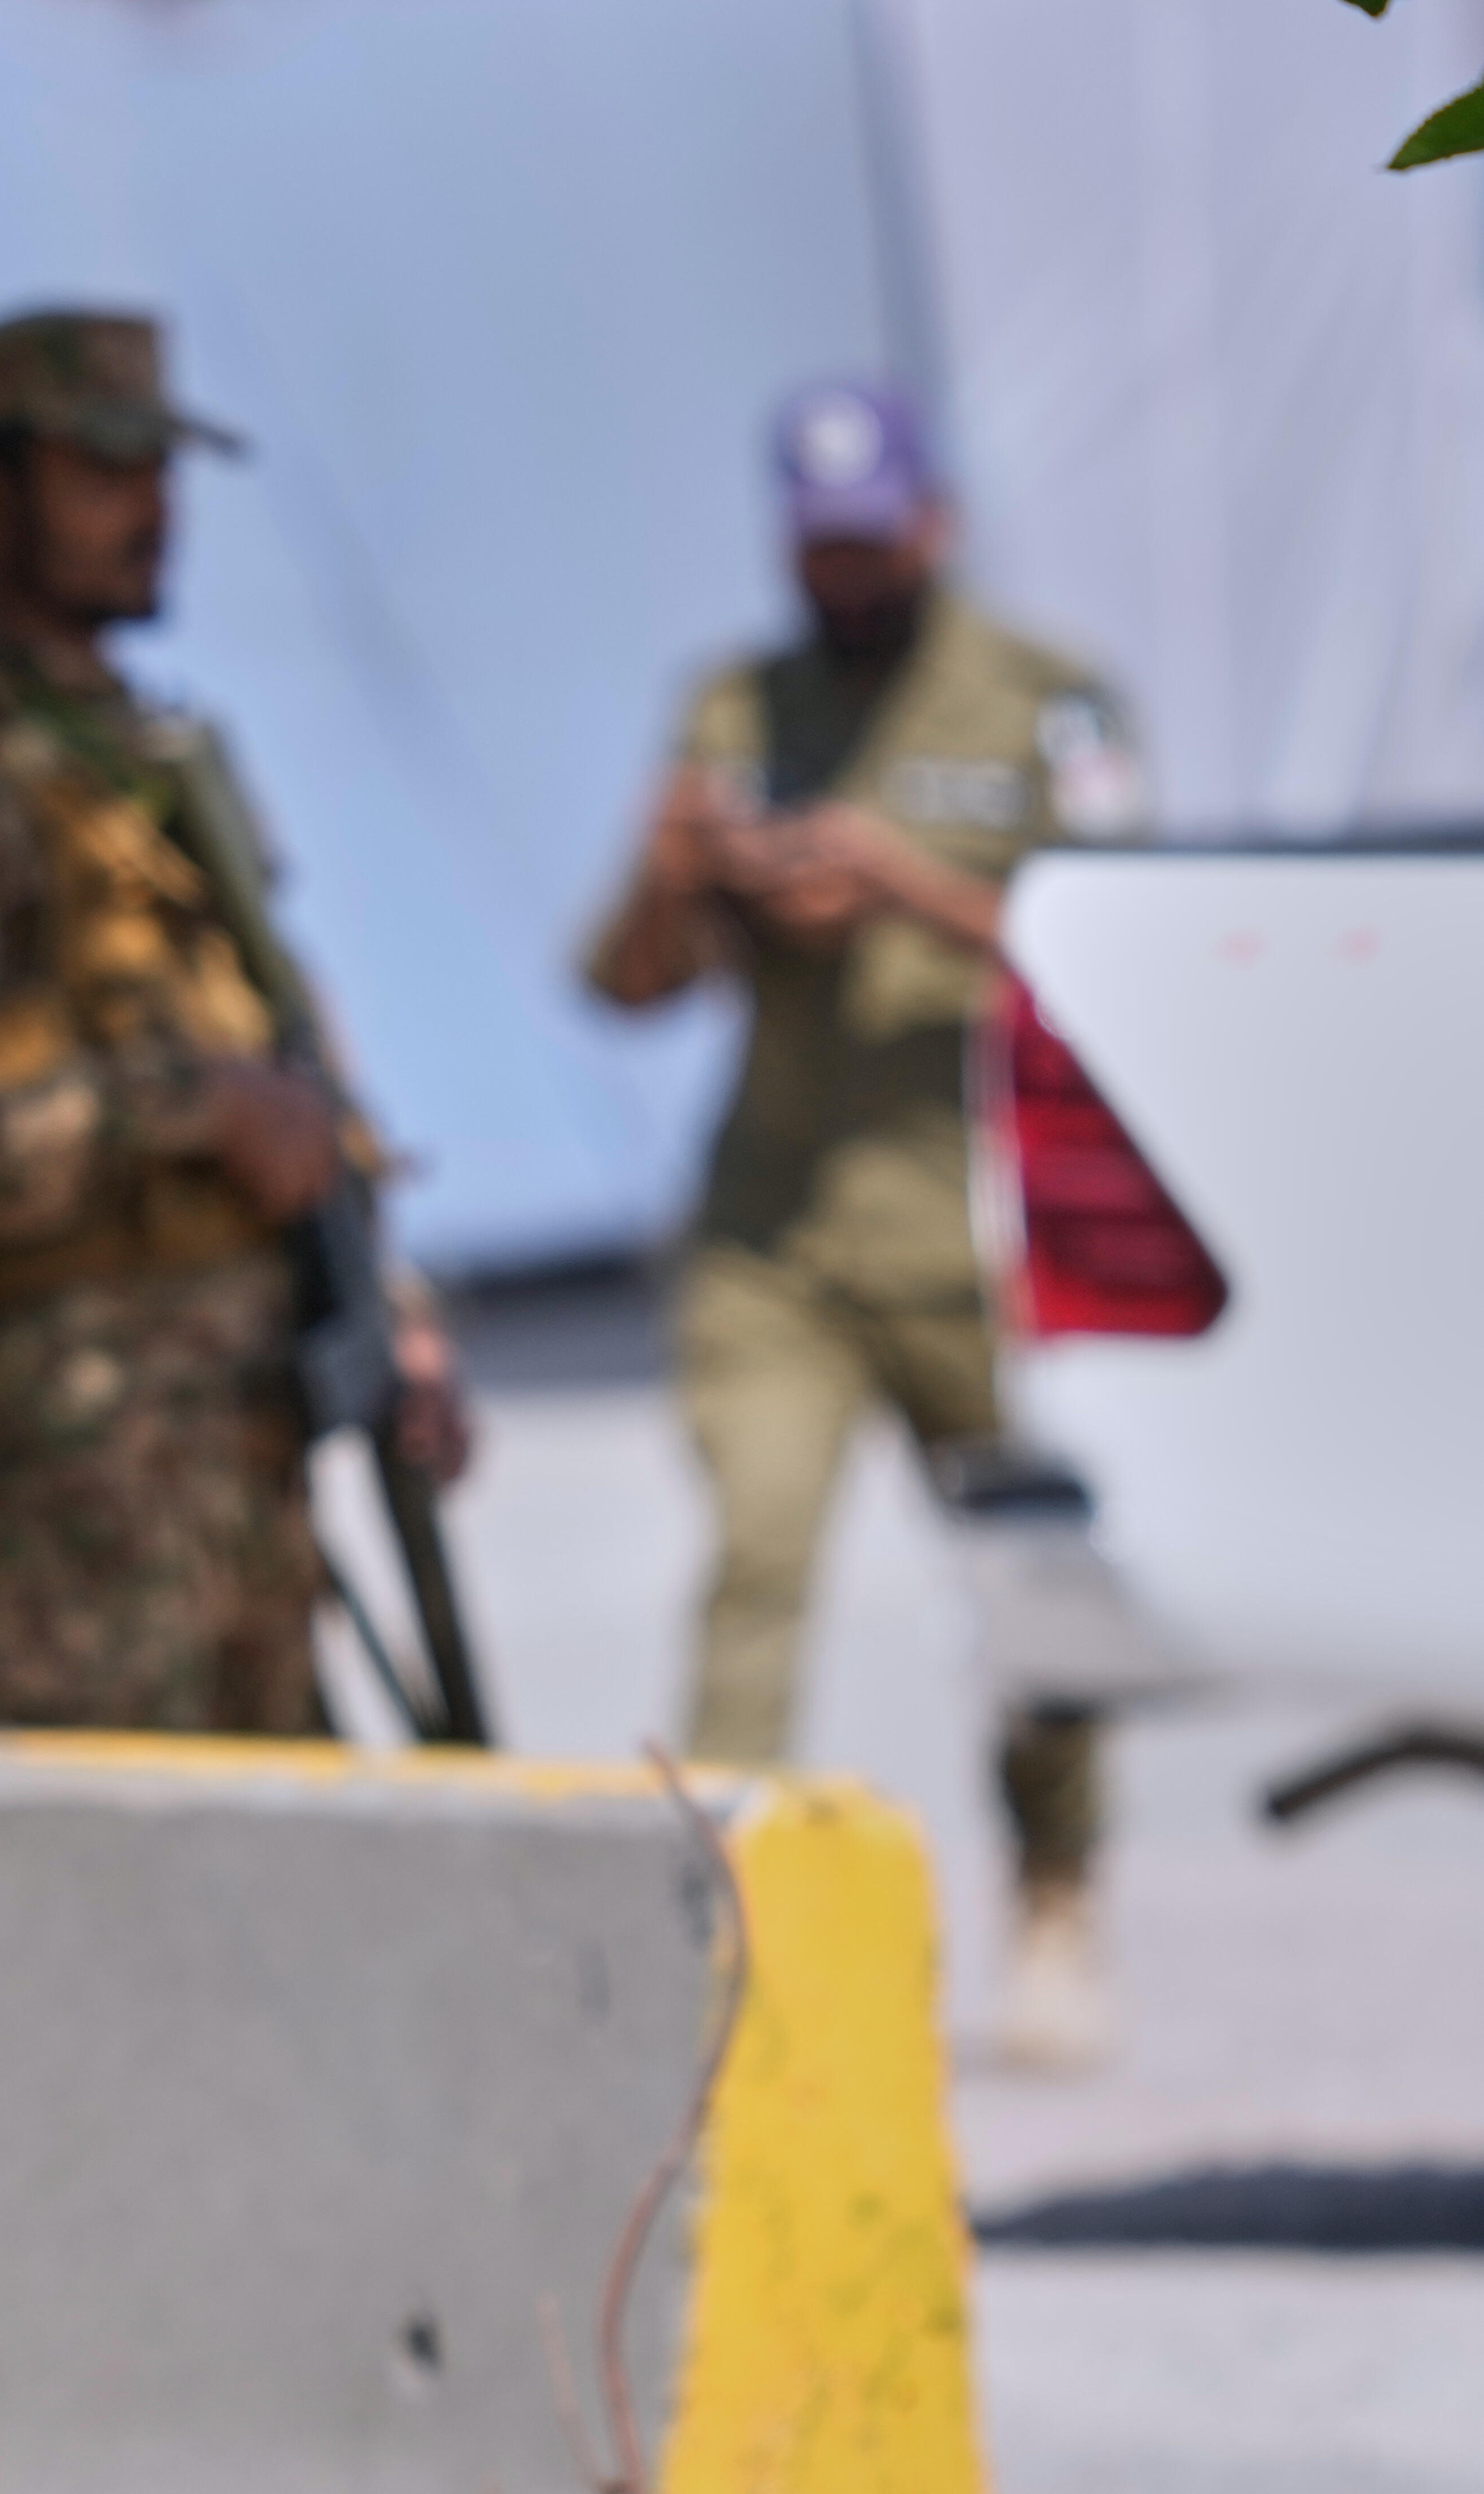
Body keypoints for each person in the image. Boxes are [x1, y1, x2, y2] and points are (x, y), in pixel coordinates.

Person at [0, 310, 466, 1738]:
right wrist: (186, 1110)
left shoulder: (157, 763)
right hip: (68, 1540)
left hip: (256, 1502)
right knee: (106, 1936)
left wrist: (399, 1319)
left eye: (162, 472)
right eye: (103, 471)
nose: (153, 511)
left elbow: (289, 1054)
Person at [583, 378, 1146, 2070]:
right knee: (755, 1560)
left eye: (868, 538)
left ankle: (1056, 1889)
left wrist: (899, 878)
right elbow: (621, 985)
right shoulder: (732, 708)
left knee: (1030, 1587)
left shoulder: (1045, 707)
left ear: (934, 521)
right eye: (812, 545)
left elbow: (1129, 954)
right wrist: (685, 881)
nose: (838, 573)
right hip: (780, 1240)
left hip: (978, 1238)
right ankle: (720, 1920)